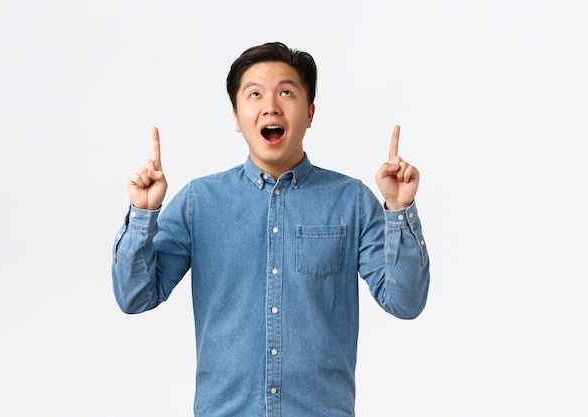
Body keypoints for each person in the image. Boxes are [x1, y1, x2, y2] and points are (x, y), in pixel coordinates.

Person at [112, 41, 430, 417]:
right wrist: (143, 214)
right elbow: (135, 297)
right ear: (235, 116)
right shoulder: (199, 202)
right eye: (255, 94)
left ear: (310, 113)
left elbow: (405, 302)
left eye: (286, 92)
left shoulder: (352, 201)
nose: (270, 105)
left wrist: (399, 208)